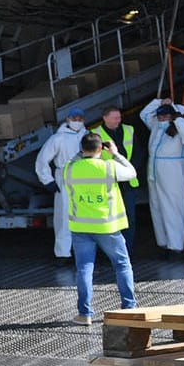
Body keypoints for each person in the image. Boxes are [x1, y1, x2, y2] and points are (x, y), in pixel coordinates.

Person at [61, 131, 138, 324]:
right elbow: (132, 173)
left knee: (84, 269)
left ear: (81, 149)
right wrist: (115, 153)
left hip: (80, 227)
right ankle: (128, 308)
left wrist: (81, 154)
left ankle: (85, 313)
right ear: (100, 149)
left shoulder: (69, 169)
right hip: (107, 226)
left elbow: (72, 161)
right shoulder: (109, 167)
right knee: (121, 265)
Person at [139, 98, 184, 260]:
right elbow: (143, 114)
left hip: (173, 170)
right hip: (154, 170)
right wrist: (159, 102)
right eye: (160, 115)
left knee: (173, 207)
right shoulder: (157, 126)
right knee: (156, 207)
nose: (162, 118)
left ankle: (176, 245)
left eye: (166, 115)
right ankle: (163, 243)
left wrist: (177, 117)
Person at [35, 110, 89, 262]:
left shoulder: (87, 136)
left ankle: (84, 252)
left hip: (85, 177)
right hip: (64, 177)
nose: (77, 121)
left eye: (80, 118)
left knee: (85, 216)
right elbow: (42, 159)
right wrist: (48, 180)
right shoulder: (58, 138)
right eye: (74, 118)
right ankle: (63, 253)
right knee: (64, 217)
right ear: (68, 119)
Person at [91, 106, 139, 243]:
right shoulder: (95, 134)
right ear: (105, 118)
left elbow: (138, 153)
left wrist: (130, 170)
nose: (118, 120)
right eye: (115, 118)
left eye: (119, 117)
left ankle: (127, 251)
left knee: (129, 219)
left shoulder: (129, 130)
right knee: (109, 219)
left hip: (128, 182)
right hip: (108, 183)